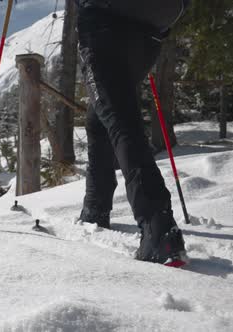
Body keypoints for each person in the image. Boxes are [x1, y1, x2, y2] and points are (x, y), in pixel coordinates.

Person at [76, 0, 190, 265]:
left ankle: (158, 227)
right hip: (153, 26)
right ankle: (95, 208)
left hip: (106, 20)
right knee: (100, 117)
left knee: (119, 120)